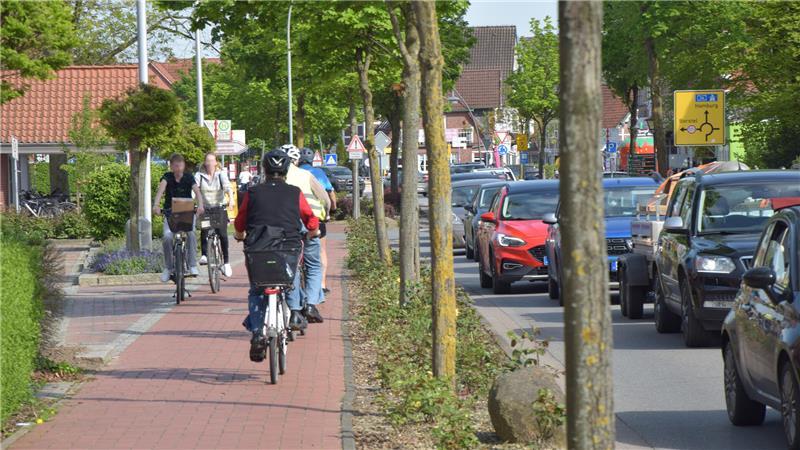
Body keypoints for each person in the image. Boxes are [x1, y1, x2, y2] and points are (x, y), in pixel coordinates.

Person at [234, 149, 320, 361]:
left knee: (257, 289)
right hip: (287, 247)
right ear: (286, 170)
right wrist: (313, 232)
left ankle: (257, 332)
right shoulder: (294, 193)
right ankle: (295, 313)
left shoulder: (253, 193)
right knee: (290, 276)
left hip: (258, 249)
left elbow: (240, 220)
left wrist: (239, 234)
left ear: (264, 169)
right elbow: (310, 218)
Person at [282, 145, 330, 323]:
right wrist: (327, 212)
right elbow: (324, 198)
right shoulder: (306, 175)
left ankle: (294, 307)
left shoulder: (274, 177)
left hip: (286, 226)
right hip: (309, 223)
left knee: (291, 266)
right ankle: (310, 304)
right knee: (314, 264)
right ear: (296, 161)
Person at [152, 154, 205, 282]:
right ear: (171, 166)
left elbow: (197, 192)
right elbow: (160, 191)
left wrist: (200, 206)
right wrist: (156, 205)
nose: (178, 168)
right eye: (175, 165)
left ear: (184, 166)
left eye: (180, 165)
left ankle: (192, 265)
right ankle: (168, 267)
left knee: (191, 234)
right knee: (167, 237)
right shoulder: (167, 177)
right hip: (170, 213)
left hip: (187, 212)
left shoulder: (189, 177)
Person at [298, 148, 337, 293]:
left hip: (296, 217)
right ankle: (322, 284)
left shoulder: (293, 173)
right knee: (321, 251)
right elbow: (329, 192)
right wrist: (332, 209)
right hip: (316, 217)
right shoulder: (319, 173)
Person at [195, 153, 234, 277]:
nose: (210, 163)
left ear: (216, 162)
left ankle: (226, 263)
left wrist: (231, 200)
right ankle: (204, 255)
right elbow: (194, 189)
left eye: (212, 161)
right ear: (205, 163)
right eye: (208, 161)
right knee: (205, 229)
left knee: (222, 234)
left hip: (219, 207)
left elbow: (228, 188)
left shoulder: (221, 174)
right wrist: (193, 201)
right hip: (205, 208)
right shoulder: (199, 175)